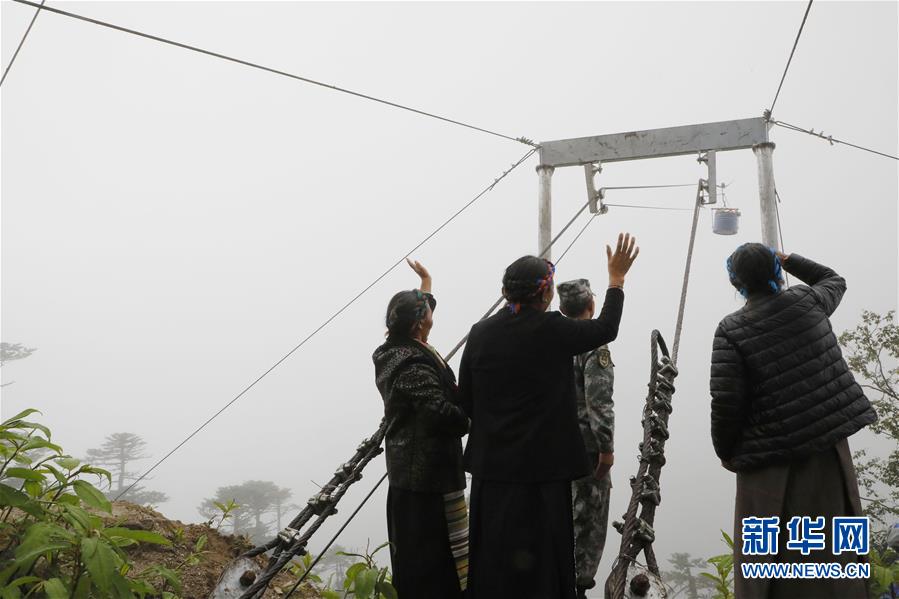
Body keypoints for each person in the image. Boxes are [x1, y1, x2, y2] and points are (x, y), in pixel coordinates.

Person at [459, 233, 639, 599]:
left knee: (493, 553)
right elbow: (606, 328)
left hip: (492, 469)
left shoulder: (480, 334)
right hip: (543, 469)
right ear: (544, 294)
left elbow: (465, 401)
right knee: (543, 558)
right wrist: (616, 280)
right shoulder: (552, 329)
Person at [709, 243, 877, 599]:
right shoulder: (807, 301)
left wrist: (726, 452)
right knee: (838, 550)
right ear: (776, 273)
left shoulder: (731, 329)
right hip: (829, 452)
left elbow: (727, 401)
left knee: (769, 561)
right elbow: (832, 278)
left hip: (769, 464)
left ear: (735, 282)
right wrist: (789, 260)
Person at [372, 258, 469, 599]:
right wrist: (470, 417)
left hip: (415, 476)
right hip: (425, 482)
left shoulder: (402, 349)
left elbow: (421, 308)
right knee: (430, 565)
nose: (432, 313)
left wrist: (427, 282)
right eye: (427, 311)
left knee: (431, 561)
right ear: (418, 325)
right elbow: (440, 413)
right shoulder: (412, 365)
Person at [557, 278, 615, 599]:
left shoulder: (551, 342)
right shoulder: (593, 344)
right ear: (591, 307)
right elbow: (599, 400)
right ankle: (579, 586)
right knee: (589, 520)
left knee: (562, 514)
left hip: (555, 445)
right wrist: (605, 449)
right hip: (586, 447)